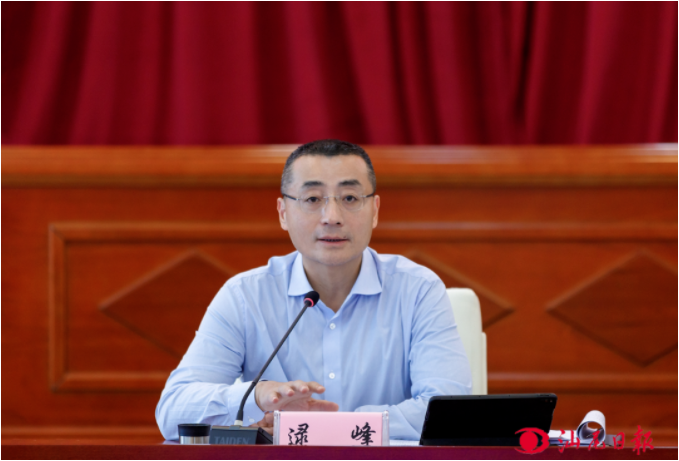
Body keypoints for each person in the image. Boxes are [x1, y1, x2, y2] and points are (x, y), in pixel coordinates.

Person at [155, 139, 471, 440]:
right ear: (283, 213)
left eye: (350, 198)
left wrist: (327, 428)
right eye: (312, 199)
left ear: (374, 210)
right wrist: (257, 395)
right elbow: (173, 411)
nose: (332, 217)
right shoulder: (245, 296)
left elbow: (449, 413)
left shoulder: (418, 291)